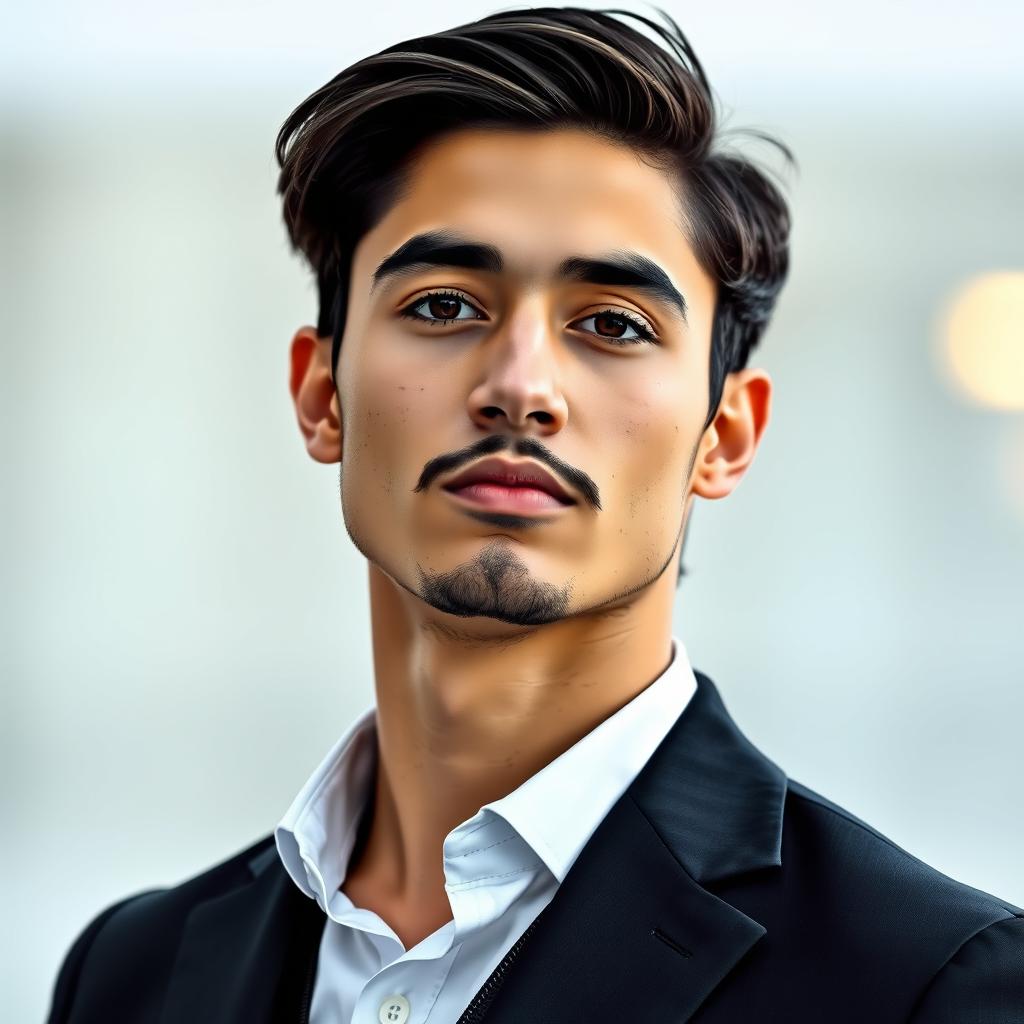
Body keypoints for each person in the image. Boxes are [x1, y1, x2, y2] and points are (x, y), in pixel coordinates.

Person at [47, 7, 1023, 1023]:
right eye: (442, 305)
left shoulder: (929, 985)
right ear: (320, 393)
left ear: (724, 436)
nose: (520, 386)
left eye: (611, 324)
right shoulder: (132, 974)